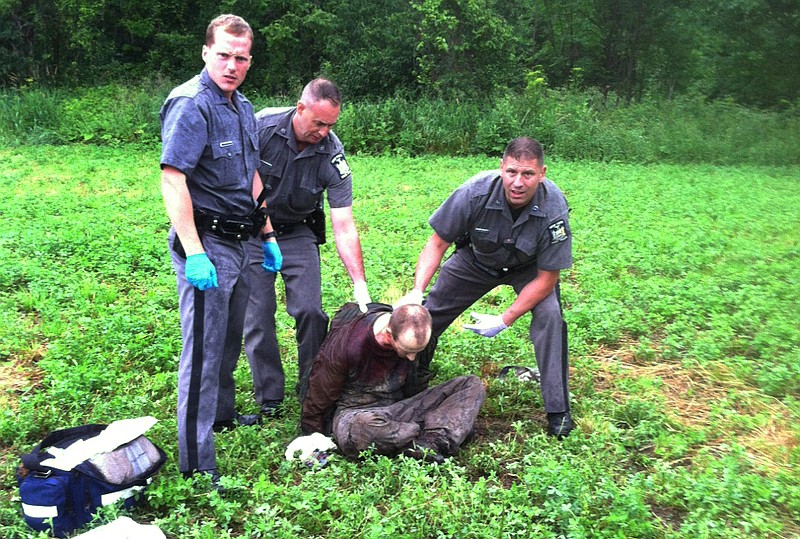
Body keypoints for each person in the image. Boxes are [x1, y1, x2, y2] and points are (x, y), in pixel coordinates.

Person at [160, 14, 282, 486]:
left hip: (242, 240)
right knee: (203, 353)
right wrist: (194, 252)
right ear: (206, 52)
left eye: (241, 57)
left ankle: (223, 415)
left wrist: (268, 234)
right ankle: (196, 463)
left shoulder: (242, 106)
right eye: (224, 54)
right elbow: (173, 179)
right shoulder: (191, 105)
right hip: (206, 242)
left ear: (249, 61)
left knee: (230, 339)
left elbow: (251, 175)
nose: (232, 65)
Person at [397, 137, 575, 438]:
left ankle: (558, 410)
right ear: (501, 168)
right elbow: (438, 242)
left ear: (542, 173)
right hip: (476, 260)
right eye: (512, 172)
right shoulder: (474, 191)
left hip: (528, 269)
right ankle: (410, 377)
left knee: (550, 318)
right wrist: (417, 290)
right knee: (428, 312)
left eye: (528, 174)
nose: (518, 182)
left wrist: (504, 319)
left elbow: (546, 279)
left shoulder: (553, 208)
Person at [243, 78, 371, 416]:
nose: (324, 132)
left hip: (298, 231)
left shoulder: (332, 154)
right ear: (300, 108)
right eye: (318, 123)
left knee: (311, 311)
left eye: (331, 125)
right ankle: (269, 395)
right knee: (257, 316)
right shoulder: (260, 128)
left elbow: (343, 223)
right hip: (255, 230)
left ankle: (311, 388)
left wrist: (360, 284)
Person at [300, 302, 486, 463]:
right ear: (388, 334)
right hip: (357, 413)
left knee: (471, 384)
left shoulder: (421, 339)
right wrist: (312, 436)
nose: (412, 358)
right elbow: (319, 392)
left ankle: (423, 442)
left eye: (417, 351)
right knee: (363, 427)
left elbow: (419, 382)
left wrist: (424, 406)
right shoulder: (349, 345)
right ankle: (431, 437)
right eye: (406, 351)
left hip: (401, 408)